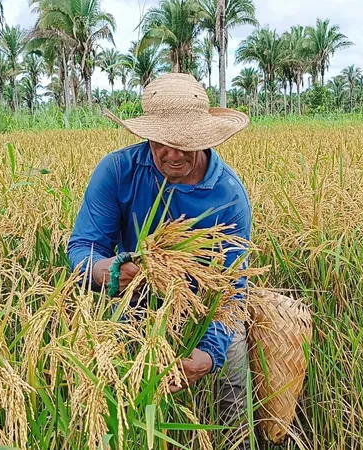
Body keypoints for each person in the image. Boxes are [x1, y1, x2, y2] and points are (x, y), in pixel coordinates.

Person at [66, 73, 253, 447]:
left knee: (232, 370)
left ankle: (237, 440)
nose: (173, 154)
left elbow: (232, 290)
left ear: (205, 139)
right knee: (104, 380)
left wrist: (207, 354)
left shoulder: (228, 195)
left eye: (185, 143)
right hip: (130, 304)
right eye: (162, 142)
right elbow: (82, 248)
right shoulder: (118, 172)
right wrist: (108, 272)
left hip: (204, 306)